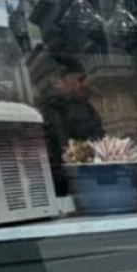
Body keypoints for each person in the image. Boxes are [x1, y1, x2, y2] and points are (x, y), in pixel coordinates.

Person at [36, 55, 103, 197]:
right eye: (80, 80)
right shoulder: (50, 113)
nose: (85, 85)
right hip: (69, 186)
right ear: (56, 82)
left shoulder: (84, 107)